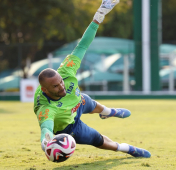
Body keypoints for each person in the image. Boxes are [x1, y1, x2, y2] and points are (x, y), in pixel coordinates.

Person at [33, 0, 151, 158]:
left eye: (61, 81)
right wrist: (45, 141)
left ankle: (108, 112)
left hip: (78, 102)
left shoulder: (66, 70)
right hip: (69, 126)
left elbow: (82, 45)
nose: (61, 86)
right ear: (45, 90)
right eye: (55, 87)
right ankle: (127, 148)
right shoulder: (45, 108)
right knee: (98, 139)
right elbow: (46, 127)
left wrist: (99, 15)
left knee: (85, 100)